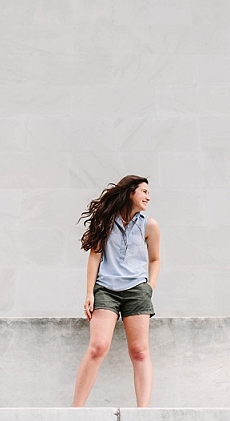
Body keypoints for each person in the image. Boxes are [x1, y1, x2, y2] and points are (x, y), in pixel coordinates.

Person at [72, 175, 161, 408]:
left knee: (140, 350)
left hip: (137, 290)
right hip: (106, 289)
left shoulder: (149, 225)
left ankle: (143, 412)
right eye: (144, 192)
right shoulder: (106, 221)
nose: (148, 197)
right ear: (130, 192)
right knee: (98, 347)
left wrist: (150, 286)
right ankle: (75, 411)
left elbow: (155, 258)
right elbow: (95, 256)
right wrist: (89, 293)